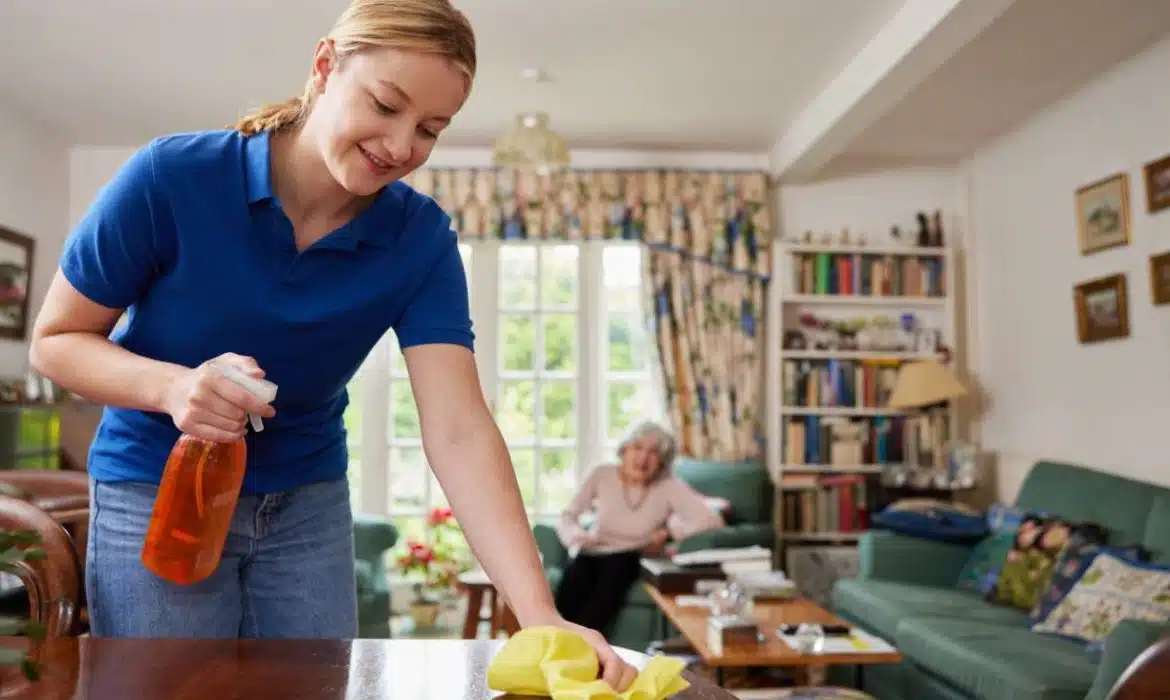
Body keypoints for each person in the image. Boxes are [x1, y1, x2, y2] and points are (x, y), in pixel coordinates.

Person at [28, 0, 637, 690]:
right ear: (324, 66)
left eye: (430, 129)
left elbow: (460, 429)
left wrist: (539, 614)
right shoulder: (172, 178)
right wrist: (171, 389)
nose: (402, 145)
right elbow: (56, 341)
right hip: (157, 490)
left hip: (305, 504)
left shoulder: (421, 239)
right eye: (385, 104)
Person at [553, 421, 724, 636]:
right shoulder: (602, 474)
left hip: (633, 555)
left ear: (662, 462)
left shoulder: (668, 485)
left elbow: (710, 519)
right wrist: (576, 536)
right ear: (624, 449)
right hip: (593, 550)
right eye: (637, 448)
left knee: (613, 573)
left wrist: (671, 533)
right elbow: (568, 516)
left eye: (653, 453)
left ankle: (584, 646)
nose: (643, 458)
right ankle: (554, 642)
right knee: (574, 578)